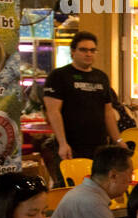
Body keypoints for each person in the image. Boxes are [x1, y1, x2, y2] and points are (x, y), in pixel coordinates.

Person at [43, 30, 121, 162]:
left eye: (92, 50)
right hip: (71, 146)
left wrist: (118, 140)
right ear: (73, 52)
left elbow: (108, 112)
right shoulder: (59, 76)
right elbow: (53, 112)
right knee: (72, 182)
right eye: (83, 50)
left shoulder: (101, 77)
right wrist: (62, 143)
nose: (88, 54)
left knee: (99, 182)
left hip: (99, 146)